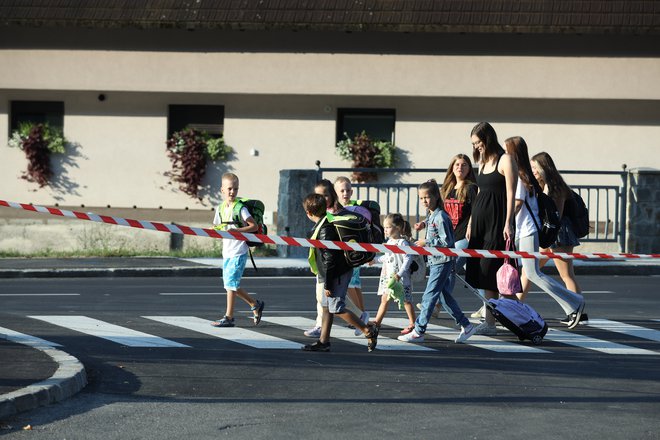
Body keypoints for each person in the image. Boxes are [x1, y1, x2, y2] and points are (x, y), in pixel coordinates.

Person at [504, 137, 586, 328]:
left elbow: (551, 214)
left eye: (507, 151)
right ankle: (514, 308)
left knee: (553, 274)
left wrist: (505, 220)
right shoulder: (532, 180)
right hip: (539, 233)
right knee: (529, 273)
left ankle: (575, 303)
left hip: (555, 236)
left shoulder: (535, 181)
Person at [398, 180, 477, 344]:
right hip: (436, 261)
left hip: (442, 261)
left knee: (429, 296)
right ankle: (466, 325)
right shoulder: (433, 214)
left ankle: (419, 331)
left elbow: (447, 241)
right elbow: (432, 223)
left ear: (435, 197)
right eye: (421, 198)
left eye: (427, 197)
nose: (424, 201)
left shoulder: (440, 216)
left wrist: (426, 242)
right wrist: (424, 224)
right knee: (444, 297)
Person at [301, 193, 379, 352]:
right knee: (325, 306)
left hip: (336, 273)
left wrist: (328, 284)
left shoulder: (325, 230)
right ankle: (324, 342)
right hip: (330, 273)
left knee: (336, 307)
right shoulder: (326, 223)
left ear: (309, 214)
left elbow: (329, 260)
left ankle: (368, 330)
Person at [465, 122, 517, 336]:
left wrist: (508, 222)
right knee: (483, 272)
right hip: (479, 222)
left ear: (488, 139)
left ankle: (518, 317)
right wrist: (470, 221)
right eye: (474, 144)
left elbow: (512, 193)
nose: (476, 147)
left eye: (478, 142)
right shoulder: (483, 163)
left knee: (494, 271)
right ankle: (491, 322)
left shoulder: (506, 160)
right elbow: (479, 193)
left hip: (497, 222)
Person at [523, 151, 587, 324]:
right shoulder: (542, 185)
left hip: (560, 234)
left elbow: (555, 216)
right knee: (529, 271)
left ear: (545, 168)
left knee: (566, 274)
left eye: (536, 167)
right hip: (550, 234)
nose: (533, 171)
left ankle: (577, 311)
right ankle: (514, 306)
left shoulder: (556, 187)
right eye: (532, 167)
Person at [303, 179, 367, 338]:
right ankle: (323, 337)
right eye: (317, 195)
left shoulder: (333, 217)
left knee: (331, 302)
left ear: (331, 195)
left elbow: (329, 255)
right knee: (326, 301)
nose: (320, 199)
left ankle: (363, 323)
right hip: (324, 267)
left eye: (324, 195)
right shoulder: (323, 216)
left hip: (332, 268)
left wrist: (328, 278)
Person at [210, 173, 265, 328]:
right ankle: (255, 304)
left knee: (231, 283)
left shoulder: (240, 208)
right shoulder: (220, 208)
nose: (232, 192)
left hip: (239, 251)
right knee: (230, 284)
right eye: (229, 189)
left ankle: (229, 317)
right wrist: (211, 230)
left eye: (235, 188)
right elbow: (217, 226)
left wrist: (238, 231)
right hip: (226, 251)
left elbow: (253, 226)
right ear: (222, 190)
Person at [370, 213, 416, 334]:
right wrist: (375, 260)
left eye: (388, 227)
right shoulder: (389, 242)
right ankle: (377, 322)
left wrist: (400, 274)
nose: (385, 230)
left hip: (400, 278)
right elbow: (387, 257)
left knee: (406, 301)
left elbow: (408, 258)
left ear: (398, 228)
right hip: (388, 277)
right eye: (384, 227)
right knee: (384, 299)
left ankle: (413, 323)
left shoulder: (402, 243)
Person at [333, 176, 369, 324]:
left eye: (348, 190)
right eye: (342, 191)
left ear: (352, 192)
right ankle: (363, 314)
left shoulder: (354, 209)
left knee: (351, 286)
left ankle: (360, 316)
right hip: (348, 253)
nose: (345, 193)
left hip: (352, 254)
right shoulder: (338, 209)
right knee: (355, 285)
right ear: (336, 192)